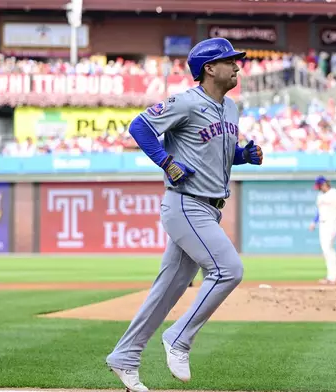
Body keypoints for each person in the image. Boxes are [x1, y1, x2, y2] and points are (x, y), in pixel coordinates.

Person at [105, 38, 263, 392]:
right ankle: (179, 337)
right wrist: (166, 162)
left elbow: (217, 153)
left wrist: (244, 156)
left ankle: (124, 357)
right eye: (230, 61)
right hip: (186, 203)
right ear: (209, 68)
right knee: (228, 270)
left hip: (208, 207)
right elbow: (139, 127)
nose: (238, 66)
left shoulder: (231, 108)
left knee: (166, 291)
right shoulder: (188, 102)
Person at [309, 175, 336, 284]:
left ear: (324, 184)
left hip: (332, 223)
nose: (318, 188)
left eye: (319, 186)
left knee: (327, 248)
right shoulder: (320, 196)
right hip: (322, 224)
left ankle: (332, 276)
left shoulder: (335, 194)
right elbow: (319, 211)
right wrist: (314, 222)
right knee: (327, 249)